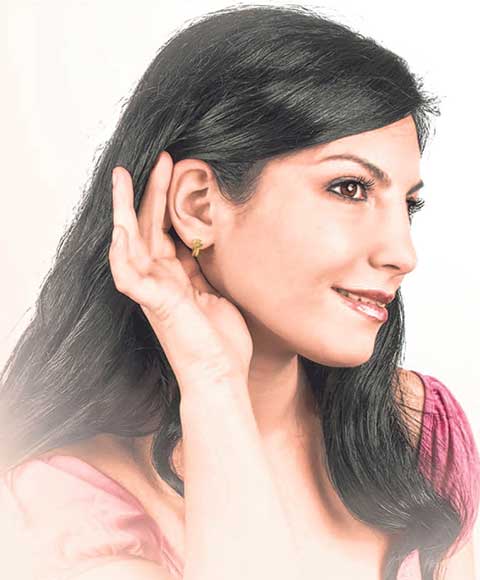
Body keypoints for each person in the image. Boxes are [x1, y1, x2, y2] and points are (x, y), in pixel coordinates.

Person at [0, 5, 478, 580]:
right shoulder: (71, 505)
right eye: (349, 188)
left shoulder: (420, 434)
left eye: (408, 204)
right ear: (199, 205)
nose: (402, 253)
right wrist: (212, 378)